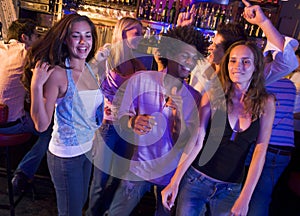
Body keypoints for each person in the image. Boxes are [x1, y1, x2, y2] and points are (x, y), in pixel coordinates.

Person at [162, 40, 275, 216]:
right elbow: (196, 141)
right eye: (233, 60)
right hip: (196, 181)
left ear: (256, 67)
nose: (238, 66)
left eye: (246, 61)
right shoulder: (213, 95)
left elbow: (259, 153)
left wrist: (245, 197)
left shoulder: (266, 103)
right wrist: (175, 181)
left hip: (230, 190)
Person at [106, 25, 205, 216]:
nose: (189, 63)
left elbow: (183, 143)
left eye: (194, 58)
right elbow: (119, 117)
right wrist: (131, 122)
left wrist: (177, 114)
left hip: (170, 175)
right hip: (138, 168)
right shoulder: (141, 80)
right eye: (185, 56)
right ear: (171, 53)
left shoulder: (195, 98)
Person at [22, 13, 104, 216]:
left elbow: (85, 110)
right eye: (76, 36)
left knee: (78, 206)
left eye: (88, 36)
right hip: (66, 156)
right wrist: (36, 85)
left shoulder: (89, 68)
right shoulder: (59, 74)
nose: (83, 42)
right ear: (66, 39)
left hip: (86, 151)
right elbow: (41, 125)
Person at [86, 17, 146, 216]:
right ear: (123, 33)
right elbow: (86, 75)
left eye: (142, 32)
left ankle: (105, 212)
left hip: (128, 128)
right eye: (136, 32)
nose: (141, 36)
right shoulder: (108, 59)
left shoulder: (139, 63)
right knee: (100, 181)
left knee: (116, 179)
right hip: (108, 126)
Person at [0, 18, 52, 194]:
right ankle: (23, 173)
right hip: (10, 126)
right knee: (48, 131)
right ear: (25, 38)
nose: (38, 40)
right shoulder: (28, 53)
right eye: (36, 36)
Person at [246, 77, 296, 216]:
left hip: (264, 144)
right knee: (262, 196)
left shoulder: (262, 82)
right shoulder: (290, 85)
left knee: (246, 190)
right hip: (285, 148)